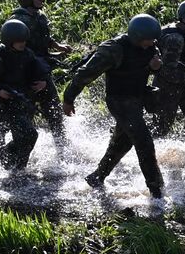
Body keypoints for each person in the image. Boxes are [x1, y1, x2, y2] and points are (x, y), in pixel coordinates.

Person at [62, 14, 165, 198]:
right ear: (137, 36)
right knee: (144, 142)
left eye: (153, 40)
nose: (151, 44)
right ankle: (157, 192)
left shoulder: (150, 46)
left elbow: (149, 66)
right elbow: (85, 74)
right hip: (119, 101)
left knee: (123, 142)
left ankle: (97, 177)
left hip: (137, 98)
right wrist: (69, 98)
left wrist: (155, 67)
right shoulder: (114, 49)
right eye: (148, 40)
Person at [0, 19, 50, 170]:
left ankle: (16, 165)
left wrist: (43, 82)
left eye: (24, 40)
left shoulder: (28, 54)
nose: (22, 43)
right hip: (5, 104)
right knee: (30, 135)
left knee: (22, 137)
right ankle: (13, 162)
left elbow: (39, 71)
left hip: (24, 101)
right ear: (9, 41)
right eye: (18, 41)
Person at [9, 0, 72, 144]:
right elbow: (16, 51)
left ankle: (62, 148)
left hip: (42, 71)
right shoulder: (18, 20)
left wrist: (58, 46)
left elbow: (44, 37)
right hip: (26, 75)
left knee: (55, 112)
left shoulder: (40, 16)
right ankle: (11, 143)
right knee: (25, 115)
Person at [152, 0, 185, 138]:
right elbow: (168, 71)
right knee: (161, 128)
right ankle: (126, 137)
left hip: (183, 85)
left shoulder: (183, 31)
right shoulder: (175, 38)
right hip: (167, 88)